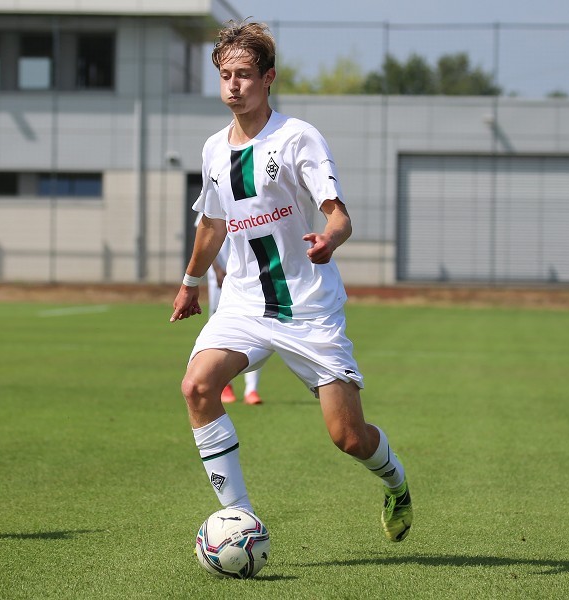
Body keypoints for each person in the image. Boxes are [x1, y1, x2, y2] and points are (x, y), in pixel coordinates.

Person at [170, 20, 412, 542]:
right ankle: (242, 522)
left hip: (307, 308)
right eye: (225, 75)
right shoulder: (214, 149)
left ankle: (395, 480)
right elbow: (212, 223)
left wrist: (330, 238)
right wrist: (190, 282)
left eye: (245, 75)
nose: (233, 85)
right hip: (242, 304)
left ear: (268, 78)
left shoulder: (298, 137)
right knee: (197, 387)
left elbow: (339, 215)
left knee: (348, 437)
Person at [198, 212, 263, 405]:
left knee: (258, 326)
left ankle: (252, 389)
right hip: (221, 278)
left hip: (251, 277)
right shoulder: (217, 187)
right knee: (221, 328)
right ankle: (225, 384)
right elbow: (205, 233)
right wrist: (217, 269)